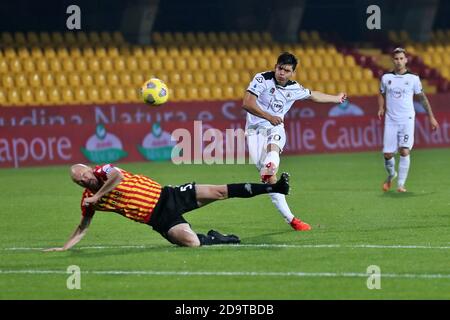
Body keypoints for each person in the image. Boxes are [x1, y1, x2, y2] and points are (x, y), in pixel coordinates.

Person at [44, 163, 291, 251]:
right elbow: (82, 227)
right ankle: (216, 238)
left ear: (89, 169)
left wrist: (97, 196)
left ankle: (275, 188)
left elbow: (116, 177)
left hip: (168, 195)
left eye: (83, 175)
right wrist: (64, 248)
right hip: (158, 219)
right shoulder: (87, 200)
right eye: (78, 181)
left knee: (219, 191)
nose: (83, 180)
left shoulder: (104, 171)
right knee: (192, 243)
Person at [242, 52, 347, 231]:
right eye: (280, 68)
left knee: (274, 146)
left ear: (292, 73)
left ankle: (270, 165)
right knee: (271, 181)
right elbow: (247, 103)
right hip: (254, 132)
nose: (282, 73)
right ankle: (291, 219)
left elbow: (314, 95)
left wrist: (335, 98)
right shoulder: (261, 79)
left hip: (275, 128)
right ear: (275, 67)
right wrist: (268, 116)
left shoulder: (294, 88)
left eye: (287, 70)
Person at [378, 47, 439, 192]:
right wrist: (381, 107)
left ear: (406, 60)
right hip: (391, 120)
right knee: (387, 154)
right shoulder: (386, 78)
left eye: (401, 59)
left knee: (404, 151)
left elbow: (422, 98)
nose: (399, 61)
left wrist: (431, 117)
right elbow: (381, 93)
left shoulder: (413, 78)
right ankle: (392, 175)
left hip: (407, 119)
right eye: (396, 59)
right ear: (393, 60)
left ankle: (401, 184)